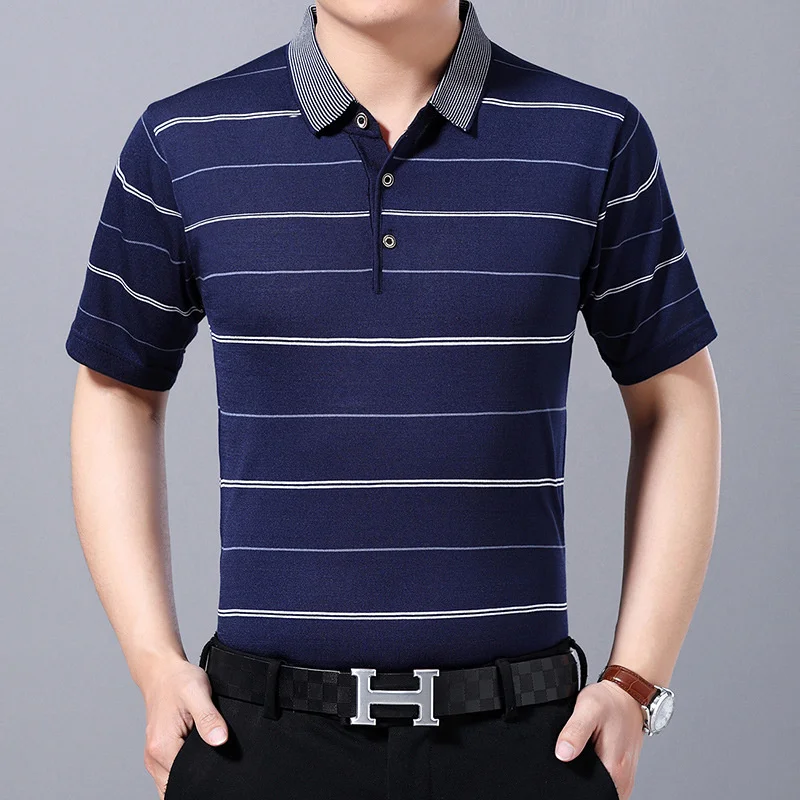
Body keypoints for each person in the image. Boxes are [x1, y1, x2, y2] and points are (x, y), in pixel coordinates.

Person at [64, 2, 721, 798]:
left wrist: (635, 681)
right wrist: (152, 662)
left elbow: (674, 399)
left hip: (526, 743)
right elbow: (118, 389)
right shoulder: (182, 142)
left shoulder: (595, 137)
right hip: (257, 744)